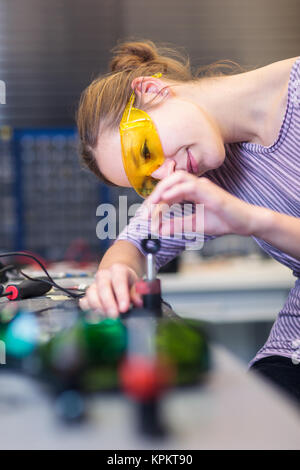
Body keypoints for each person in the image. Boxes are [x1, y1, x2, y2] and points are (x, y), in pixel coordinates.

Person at [76, 40, 300, 403]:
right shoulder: (205, 171)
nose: (166, 173)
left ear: (152, 89)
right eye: (149, 181)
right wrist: (116, 276)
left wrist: (253, 220)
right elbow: (130, 246)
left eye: (145, 152)